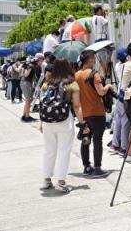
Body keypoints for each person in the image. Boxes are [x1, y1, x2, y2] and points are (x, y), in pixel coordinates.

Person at [39, 58, 84, 193]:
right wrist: (82, 123)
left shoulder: (47, 83)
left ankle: (46, 179)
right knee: (64, 150)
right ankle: (61, 181)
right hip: (64, 119)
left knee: (49, 150)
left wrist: (41, 122)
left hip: (47, 120)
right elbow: (76, 106)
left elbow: (42, 103)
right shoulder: (72, 84)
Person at [75, 50, 113, 177]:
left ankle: (86, 167)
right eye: (93, 59)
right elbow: (101, 92)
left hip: (84, 113)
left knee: (86, 139)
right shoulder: (94, 74)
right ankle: (97, 168)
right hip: (97, 112)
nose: (94, 61)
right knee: (97, 140)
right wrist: (108, 87)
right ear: (89, 60)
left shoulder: (77, 75)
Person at [109, 48, 130, 156]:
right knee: (125, 122)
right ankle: (124, 148)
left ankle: (115, 145)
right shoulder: (127, 66)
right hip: (124, 93)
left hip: (119, 93)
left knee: (117, 121)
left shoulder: (117, 66)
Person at [20, 57, 39, 122]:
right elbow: (25, 75)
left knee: (29, 100)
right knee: (28, 100)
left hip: (26, 83)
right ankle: (27, 117)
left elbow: (21, 74)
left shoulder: (27, 65)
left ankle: (24, 115)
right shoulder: (30, 66)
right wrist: (28, 68)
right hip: (26, 83)